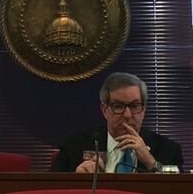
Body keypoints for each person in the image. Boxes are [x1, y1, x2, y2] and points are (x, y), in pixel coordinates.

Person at [51, 72, 184, 173]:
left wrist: (151, 162)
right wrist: (75, 180)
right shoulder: (74, 147)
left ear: (144, 110)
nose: (127, 115)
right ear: (104, 110)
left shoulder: (168, 150)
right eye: (118, 106)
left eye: (135, 106)